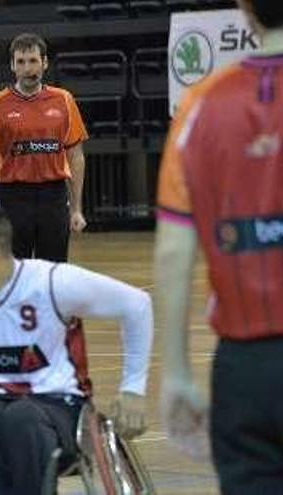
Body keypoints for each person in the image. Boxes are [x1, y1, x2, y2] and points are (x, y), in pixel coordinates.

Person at [0, 200, 152, 495]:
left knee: (22, 418)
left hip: (56, 407)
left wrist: (133, 390)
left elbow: (136, 305)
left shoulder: (51, 283)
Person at [155, 1, 283, 492]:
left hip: (245, 368)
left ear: (244, 9)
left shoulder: (202, 106)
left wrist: (176, 371)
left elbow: (173, 250)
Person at [0, 32, 88, 262]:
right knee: (12, 271)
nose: (28, 68)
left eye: (33, 60)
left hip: (53, 196)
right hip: (11, 198)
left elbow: (76, 156)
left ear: (45, 63)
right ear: (12, 66)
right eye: (21, 62)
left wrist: (76, 208)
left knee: (53, 271)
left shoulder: (64, 100)